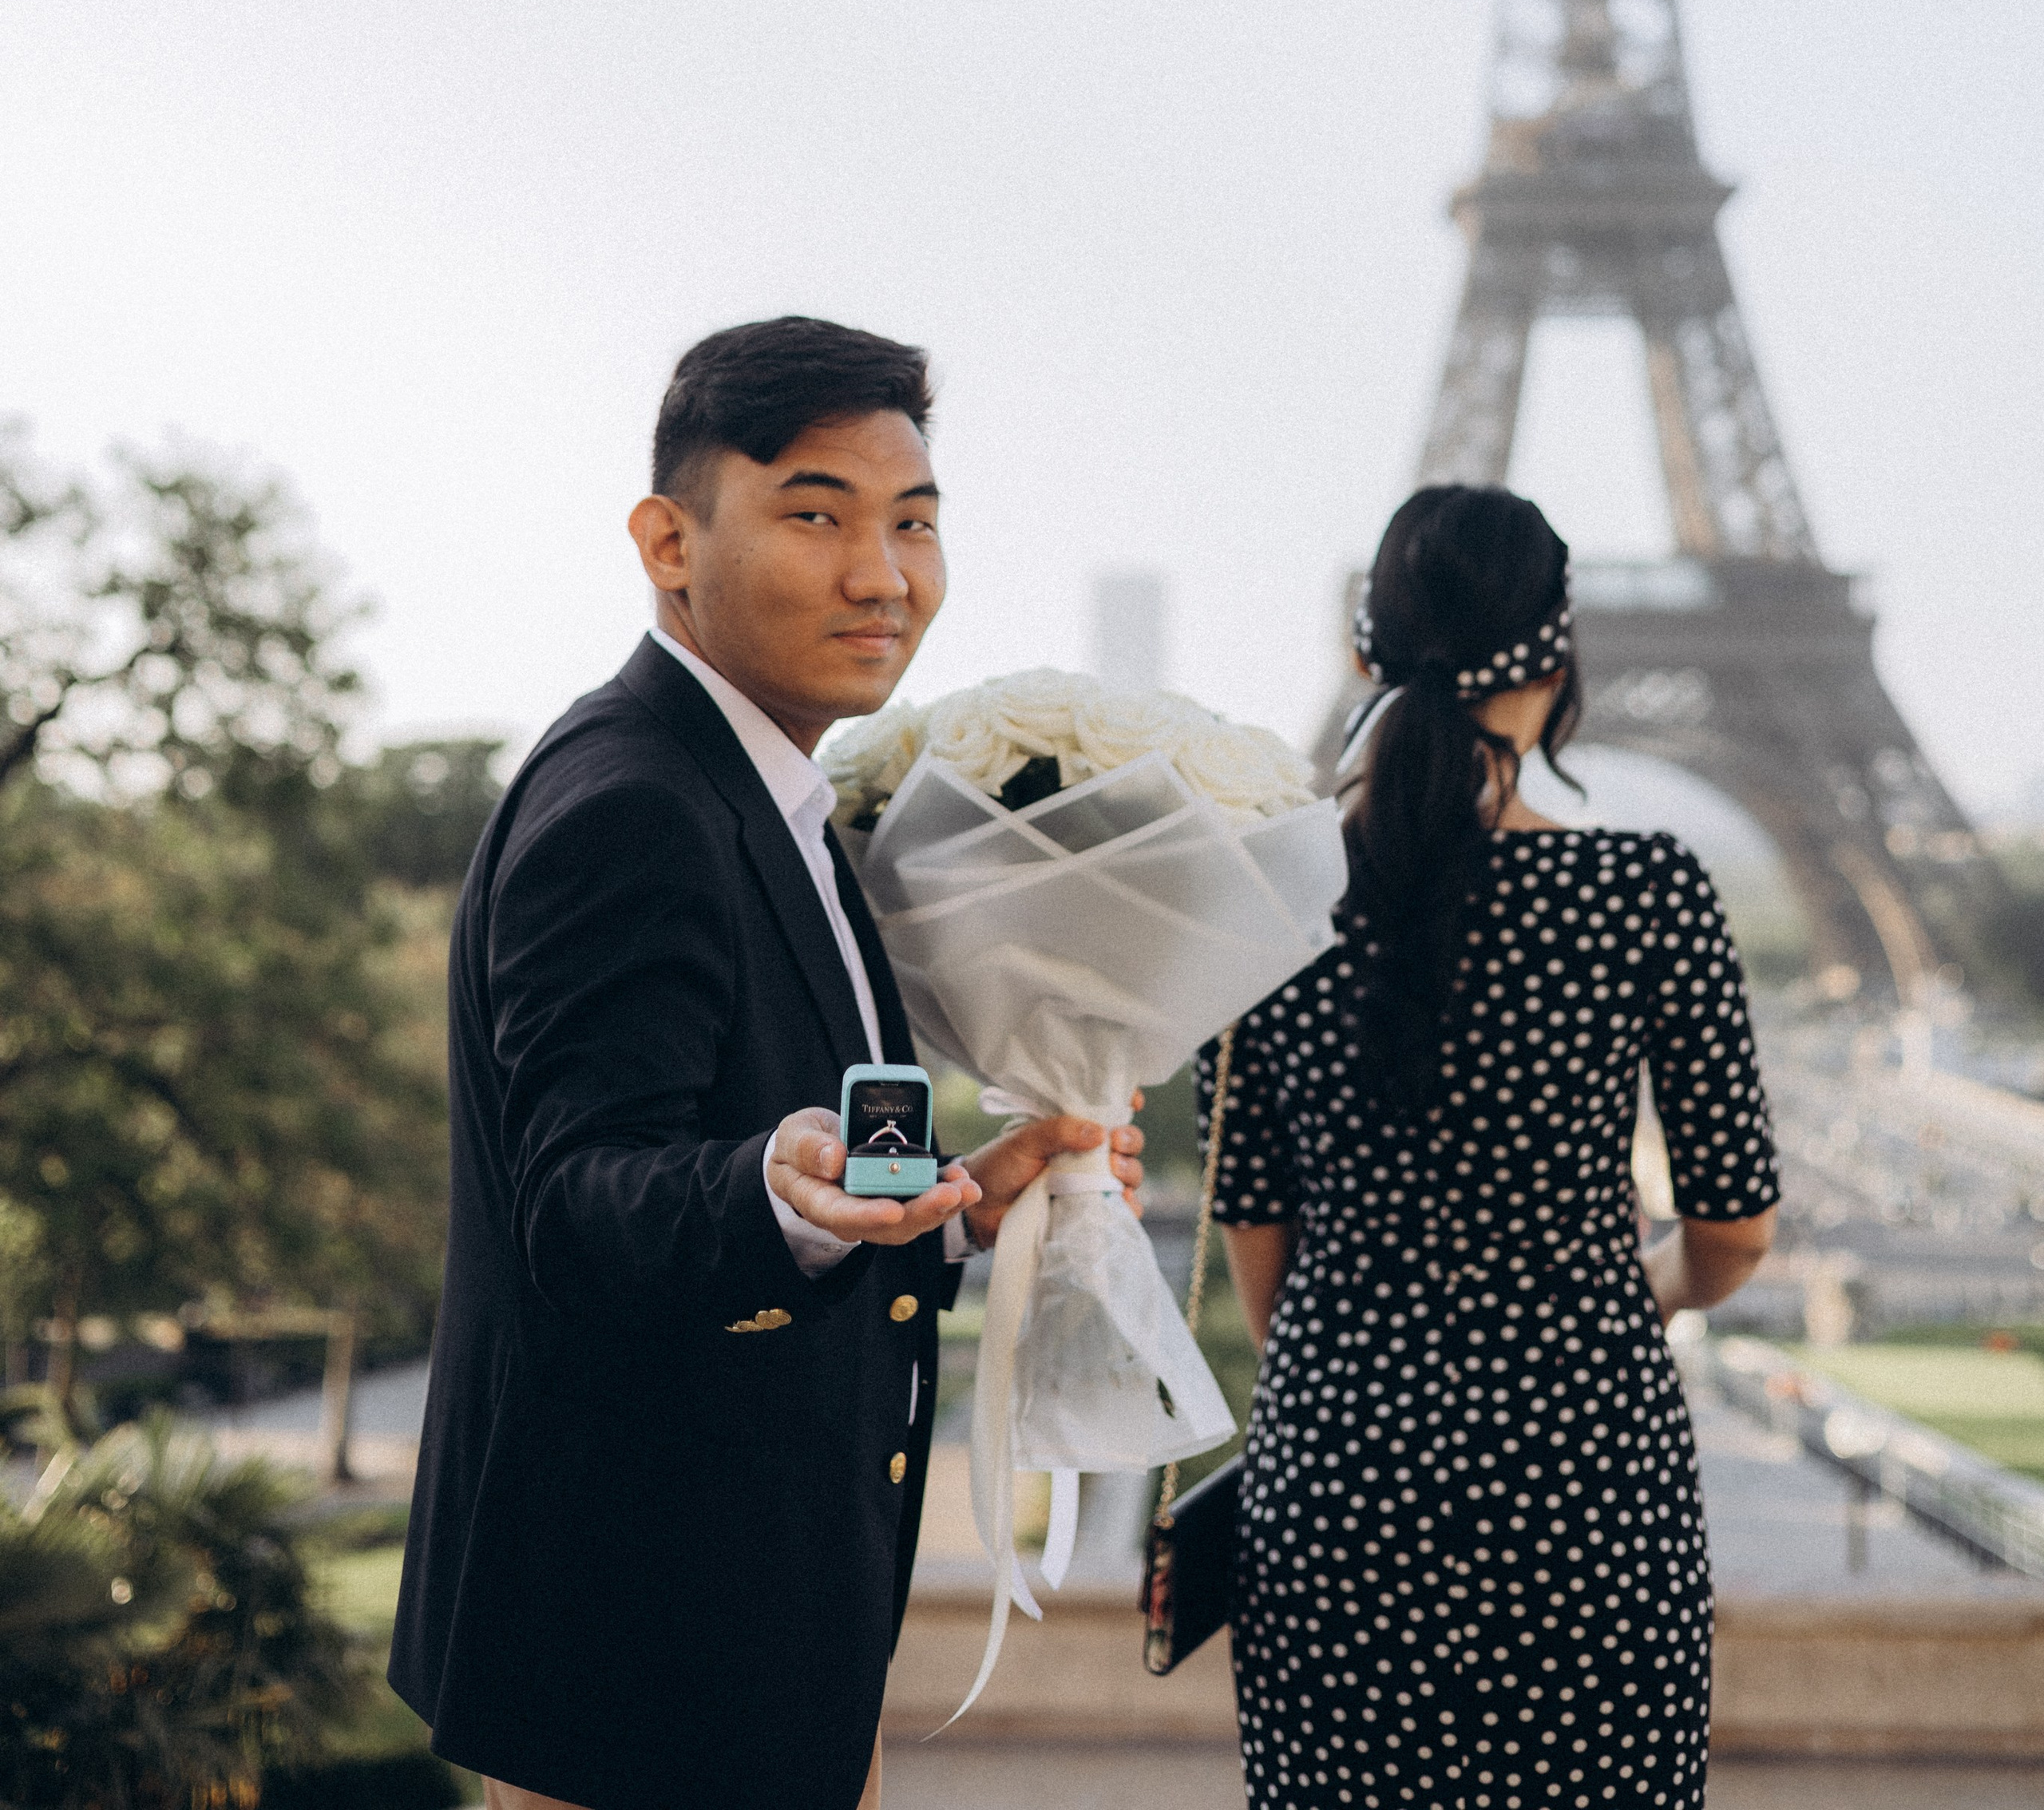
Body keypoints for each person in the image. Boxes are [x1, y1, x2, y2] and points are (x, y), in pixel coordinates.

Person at [390, 316, 1142, 1810]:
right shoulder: (636, 805)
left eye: (914, 522)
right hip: (649, 1655)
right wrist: (771, 1188)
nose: (884, 574)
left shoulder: (755, 791)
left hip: (740, 1627)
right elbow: (581, 1198)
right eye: (816, 514)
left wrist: (957, 1195)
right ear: (669, 541)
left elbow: (766, 1137)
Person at [1199, 483, 1778, 1810]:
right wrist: (1621, 1292)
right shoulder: (1645, 893)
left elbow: (1263, 1254)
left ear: (1363, 658)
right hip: (1584, 1485)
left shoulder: (1262, 906)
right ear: (1557, 670)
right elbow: (1735, 1231)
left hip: (1340, 1485)